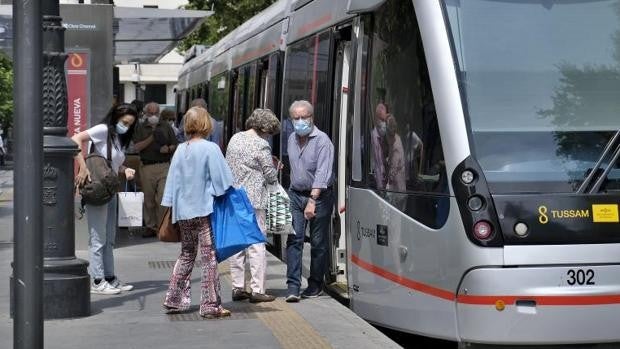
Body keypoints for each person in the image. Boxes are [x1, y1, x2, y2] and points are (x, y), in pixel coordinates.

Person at [161, 106, 234, 318]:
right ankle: (210, 305)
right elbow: (223, 182)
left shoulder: (180, 149)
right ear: (206, 124)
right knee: (209, 256)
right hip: (204, 210)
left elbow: (172, 183)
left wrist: (170, 206)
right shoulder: (211, 149)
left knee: (186, 253)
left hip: (183, 212)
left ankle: (174, 299)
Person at [72, 103, 138, 295]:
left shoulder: (116, 138)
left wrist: (125, 169)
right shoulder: (102, 130)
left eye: (130, 124)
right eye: (124, 122)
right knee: (98, 237)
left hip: (110, 190)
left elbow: (110, 164)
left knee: (109, 238)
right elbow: (75, 139)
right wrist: (82, 168)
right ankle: (97, 279)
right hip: (98, 190)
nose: (126, 126)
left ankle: (109, 277)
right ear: (116, 118)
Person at [225, 108, 281, 303]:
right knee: (256, 244)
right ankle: (257, 290)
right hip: (254, 200)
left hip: (234, 197)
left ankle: (238, 287)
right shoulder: (261, 145)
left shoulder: (235, 138)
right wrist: (276, 168)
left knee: (238, 244)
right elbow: (270, 175)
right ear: (266, 129)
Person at [285, 100, 334, 302]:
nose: (300, 121)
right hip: (295, 194)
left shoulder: (323, 141)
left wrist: (312, 200)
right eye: (296, 118)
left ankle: (315, 285)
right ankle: (293, 287)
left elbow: (323, 172)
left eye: (304, 117)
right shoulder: (290, 139)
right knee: (294, 240)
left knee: (318, 243)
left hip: (319, 197)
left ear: (312, 117)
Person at [132, 102, 178, 238]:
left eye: (156, 113)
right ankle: (150, 226)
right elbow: (137, 147)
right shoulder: (140, 127)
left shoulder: (166, 126)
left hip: (163, 165)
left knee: (163, 197)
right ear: (146, 114)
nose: (153, 116)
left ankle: (161, 226)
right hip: (147, 166)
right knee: (149, 199)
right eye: (150, 113)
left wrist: (169, 149)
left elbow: (175, 144)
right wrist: (152, 137)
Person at [371, 103, 389, 189]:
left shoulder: (380, 135)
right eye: (383, 121)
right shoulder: (375, 135)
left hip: (383, 175)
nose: (385, 124)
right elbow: (378, 163)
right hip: (379, 179)